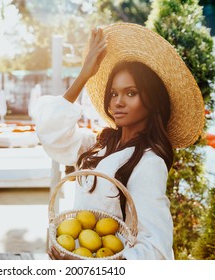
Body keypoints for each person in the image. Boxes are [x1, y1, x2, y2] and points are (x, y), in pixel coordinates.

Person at [31, 23, 204, 260]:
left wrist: (96, 266)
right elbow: (51, 132)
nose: (118, 102)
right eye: (113, 93)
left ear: (152, 100)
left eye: (130, 93)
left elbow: (156, 249)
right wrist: (84, 75)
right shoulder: (100, 145)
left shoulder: (148, 163)